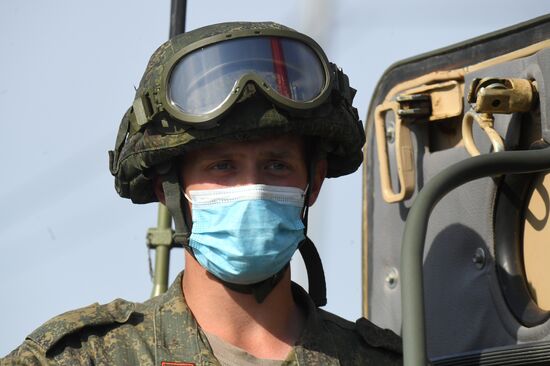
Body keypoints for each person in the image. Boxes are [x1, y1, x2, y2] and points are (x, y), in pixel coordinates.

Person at [2, 21, 402, 365]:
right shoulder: (84, 358)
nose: (253, 188)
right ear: (168, 189)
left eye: (276, 165)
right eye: (222, 166)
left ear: (312, 183)